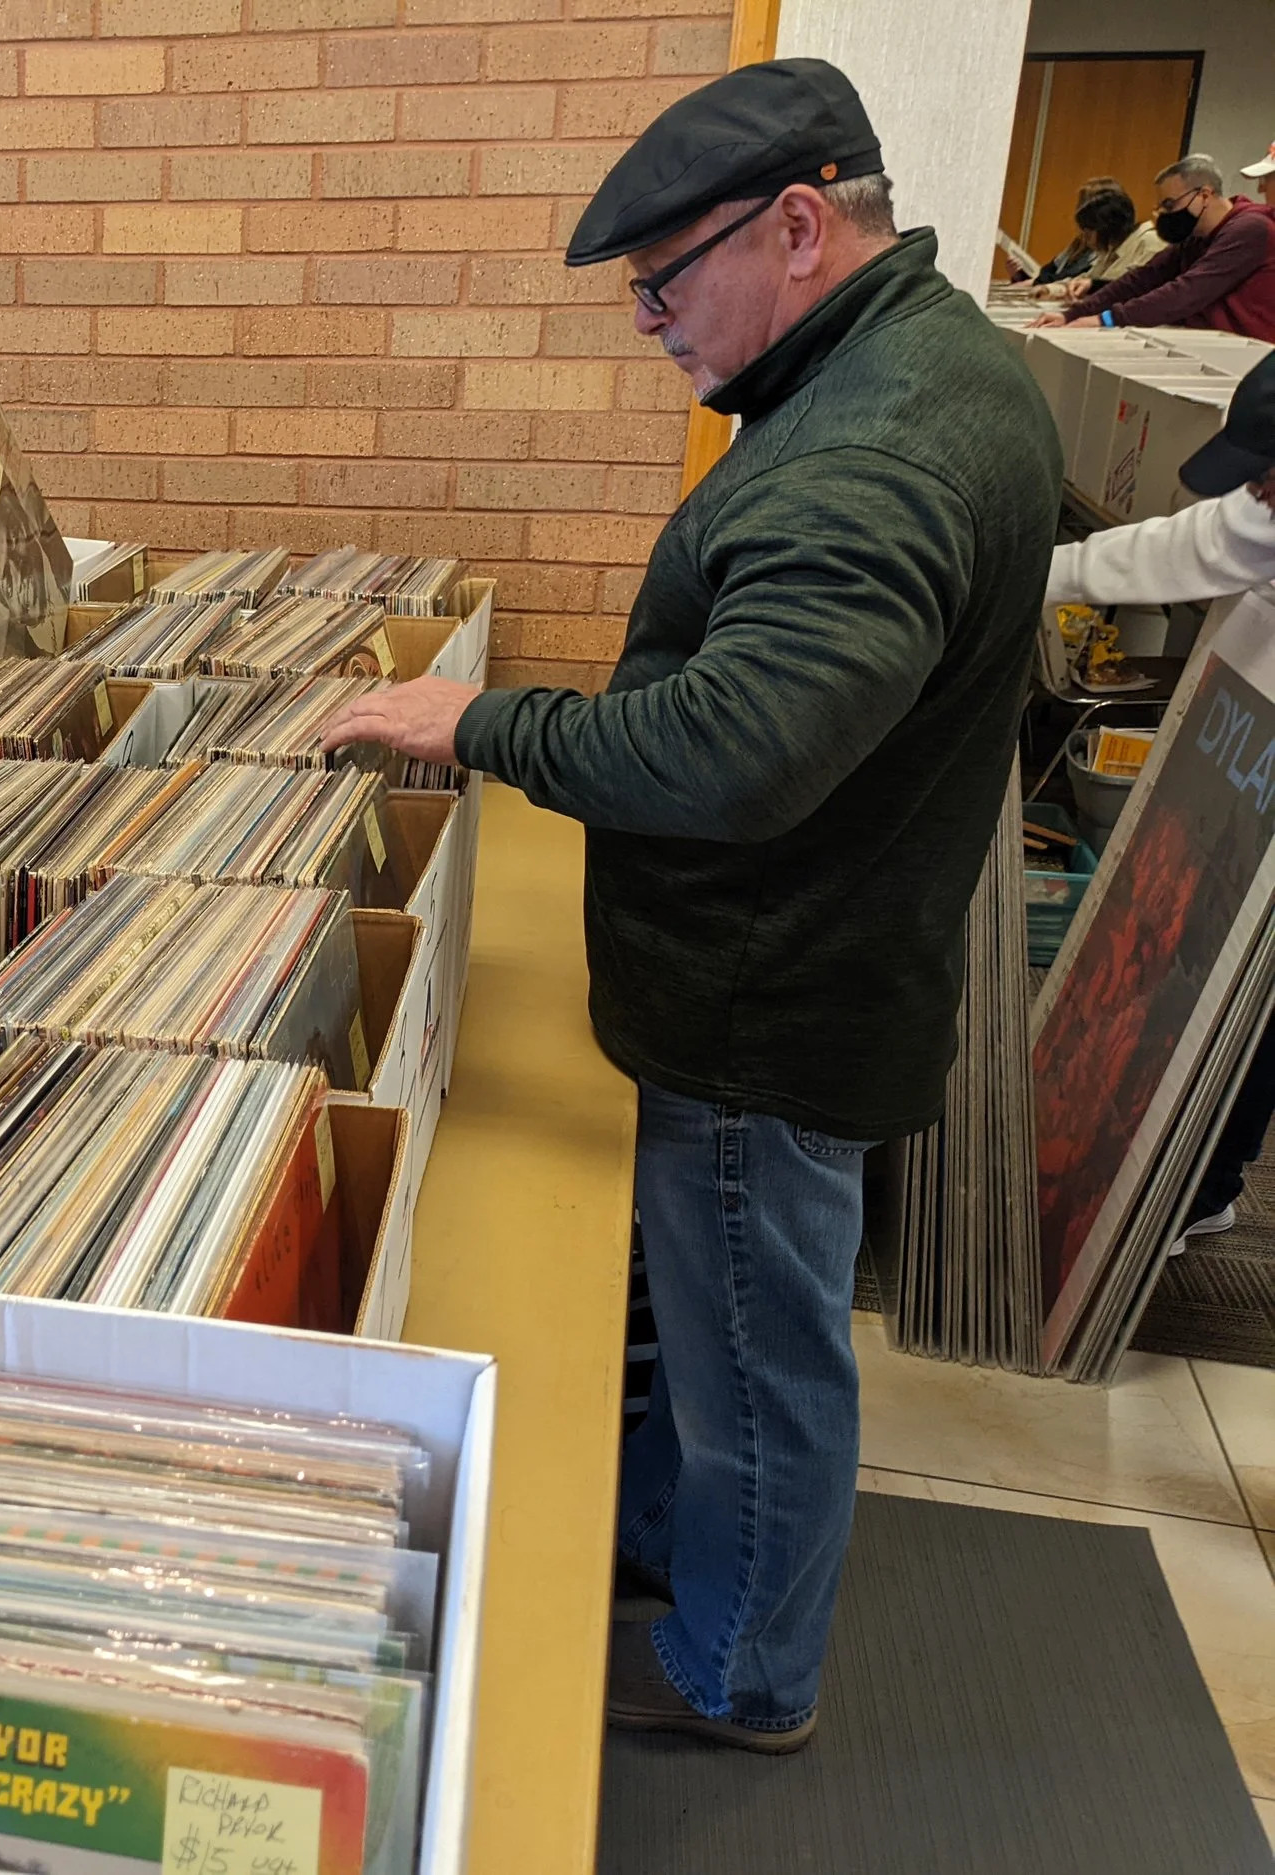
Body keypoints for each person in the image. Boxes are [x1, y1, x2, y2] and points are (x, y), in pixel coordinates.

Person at [323, 59, 1060, 1752]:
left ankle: (743, 1672)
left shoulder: (865, 451)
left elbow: (736, 754)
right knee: (730, 1335)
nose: (647, 318)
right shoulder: (928, 359)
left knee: (756, 1361)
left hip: (762, 1005)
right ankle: (672, 1545)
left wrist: (483, 724)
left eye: (666, 277)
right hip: (805, 968)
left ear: (799, 227)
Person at [1048, 351, 1275, 1250]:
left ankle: (1208, 1182)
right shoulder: (1263, 510)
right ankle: (1199, 1175)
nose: (1258, 495)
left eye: (1268, 476)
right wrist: (1036, 571)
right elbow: (1196, 544)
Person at [1033, 155, 1275, 340]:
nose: (1165, 214)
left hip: (1249, 356)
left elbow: (1187, 291)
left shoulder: (1250, 229)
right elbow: (1142, 278)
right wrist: (1073, 314)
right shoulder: (1197, 236)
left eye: (1170, 205)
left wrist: (1107, 319)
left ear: (1204, 195)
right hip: (1213, 343)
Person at [1039, 183, 1166, 299]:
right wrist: (1050, 289)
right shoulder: (1113, 247)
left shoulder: (1150, 243)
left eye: (1088, 233)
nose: (1085, 240)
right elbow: (1086, 279)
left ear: (1105, 229)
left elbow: (1134, 289)